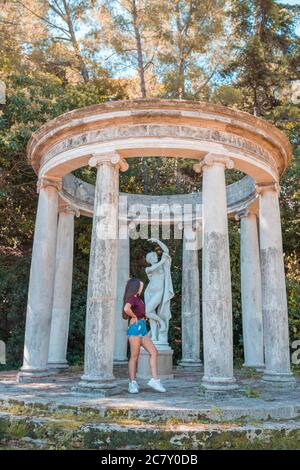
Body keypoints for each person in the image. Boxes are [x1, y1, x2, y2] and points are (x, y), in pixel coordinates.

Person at [123, 277, 166, 394]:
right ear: (135, 287)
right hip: (135, 329)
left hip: (142, 329)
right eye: (140, 286)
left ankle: (155, 380)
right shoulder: (132, 298)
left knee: (154, 352)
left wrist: (142, 317)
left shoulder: (138, 299)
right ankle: (132, 383)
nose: (142, 288)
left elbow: (139, 311)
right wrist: (135, 317)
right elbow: (126, 308)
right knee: (134, 357)